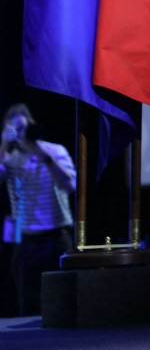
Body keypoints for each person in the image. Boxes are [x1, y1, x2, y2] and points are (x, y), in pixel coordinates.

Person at [0, 104, 76, 316]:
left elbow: (71, 186)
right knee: (28, 302)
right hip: (25, 239)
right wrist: (4, 144)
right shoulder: (9, 158)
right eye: (15, 130)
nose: (21, 134)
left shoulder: (54, 151)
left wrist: (42, 155)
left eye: (24, 128)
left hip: (57, 236)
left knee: (63, 300)